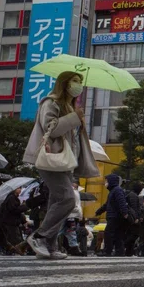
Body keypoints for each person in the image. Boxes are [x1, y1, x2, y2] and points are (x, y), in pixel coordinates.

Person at [22, 71, 100, 260]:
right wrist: (75, 117)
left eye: (80, 81)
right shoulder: (51, 102)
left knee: (56, 202)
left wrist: (77, 119)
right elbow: (51, 128)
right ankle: (40, 237)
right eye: (75, 81)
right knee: (67, 200)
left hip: (65, 162)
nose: (79, 85)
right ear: (64, 83)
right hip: (51, 159)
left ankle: (49, 246)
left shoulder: (70, 107)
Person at [96, 174, 129, 257]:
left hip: (115, 216)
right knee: (117, 234)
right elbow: (107, 204)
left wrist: (124, 212)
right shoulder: (113, 191)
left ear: (111, 181)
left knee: (108, 233)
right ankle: (119, 251)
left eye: (106, 181)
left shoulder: (117, 190)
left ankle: (107, 251)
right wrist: (99, 211)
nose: (105, 183)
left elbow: (121, 202)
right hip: (115, 216)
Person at [0, 186, 28, 252]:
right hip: (11, 222)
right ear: (14, 189)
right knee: (16, 238)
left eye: (20, 188)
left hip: (10, 222)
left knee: (9, 238)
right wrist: (24, 206)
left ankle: (10, 251)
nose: (20, 190)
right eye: (18, 188)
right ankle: (19, 251)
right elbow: (14, 210)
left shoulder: (14, 198)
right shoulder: (11, 198)